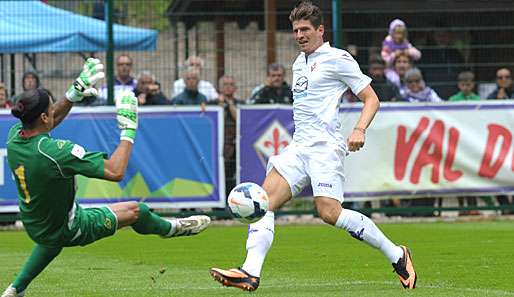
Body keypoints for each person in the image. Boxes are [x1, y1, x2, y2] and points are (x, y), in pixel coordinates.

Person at [209, 1, 417, 291]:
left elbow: (372, 99)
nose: (299, 35)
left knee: (329, 212)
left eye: (305, 29)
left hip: (325, 148)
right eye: (295, 30)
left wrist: (359, 129)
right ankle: (249, 272)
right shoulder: (298, 62)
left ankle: (397, 254)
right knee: (263, 203)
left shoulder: (338, 58)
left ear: (320, 30)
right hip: (299, 148)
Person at [1, 59, 210, 297]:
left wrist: (72, 93)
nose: (53, 109)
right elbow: (115, 170)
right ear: (44, 118)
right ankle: (173, 228)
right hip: (70, 226)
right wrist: (128, 130)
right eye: (51, 107)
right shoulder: (57, 152)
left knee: (50, 240)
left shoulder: (15, 136)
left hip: (34, 221)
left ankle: (16, 289)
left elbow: (49, 120)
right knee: (137, 211)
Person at [208, 75, 243, 194]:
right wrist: (221, 106)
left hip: (237, 148)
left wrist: (228, 104)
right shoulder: (212, 104)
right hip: (218, 147)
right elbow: (216, 122)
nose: (228, 87)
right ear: (219, 88)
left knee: (234, 178)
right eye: (225, 85)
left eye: (231, 84)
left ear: (235, 88)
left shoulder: (241, 103)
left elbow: (240, 120)